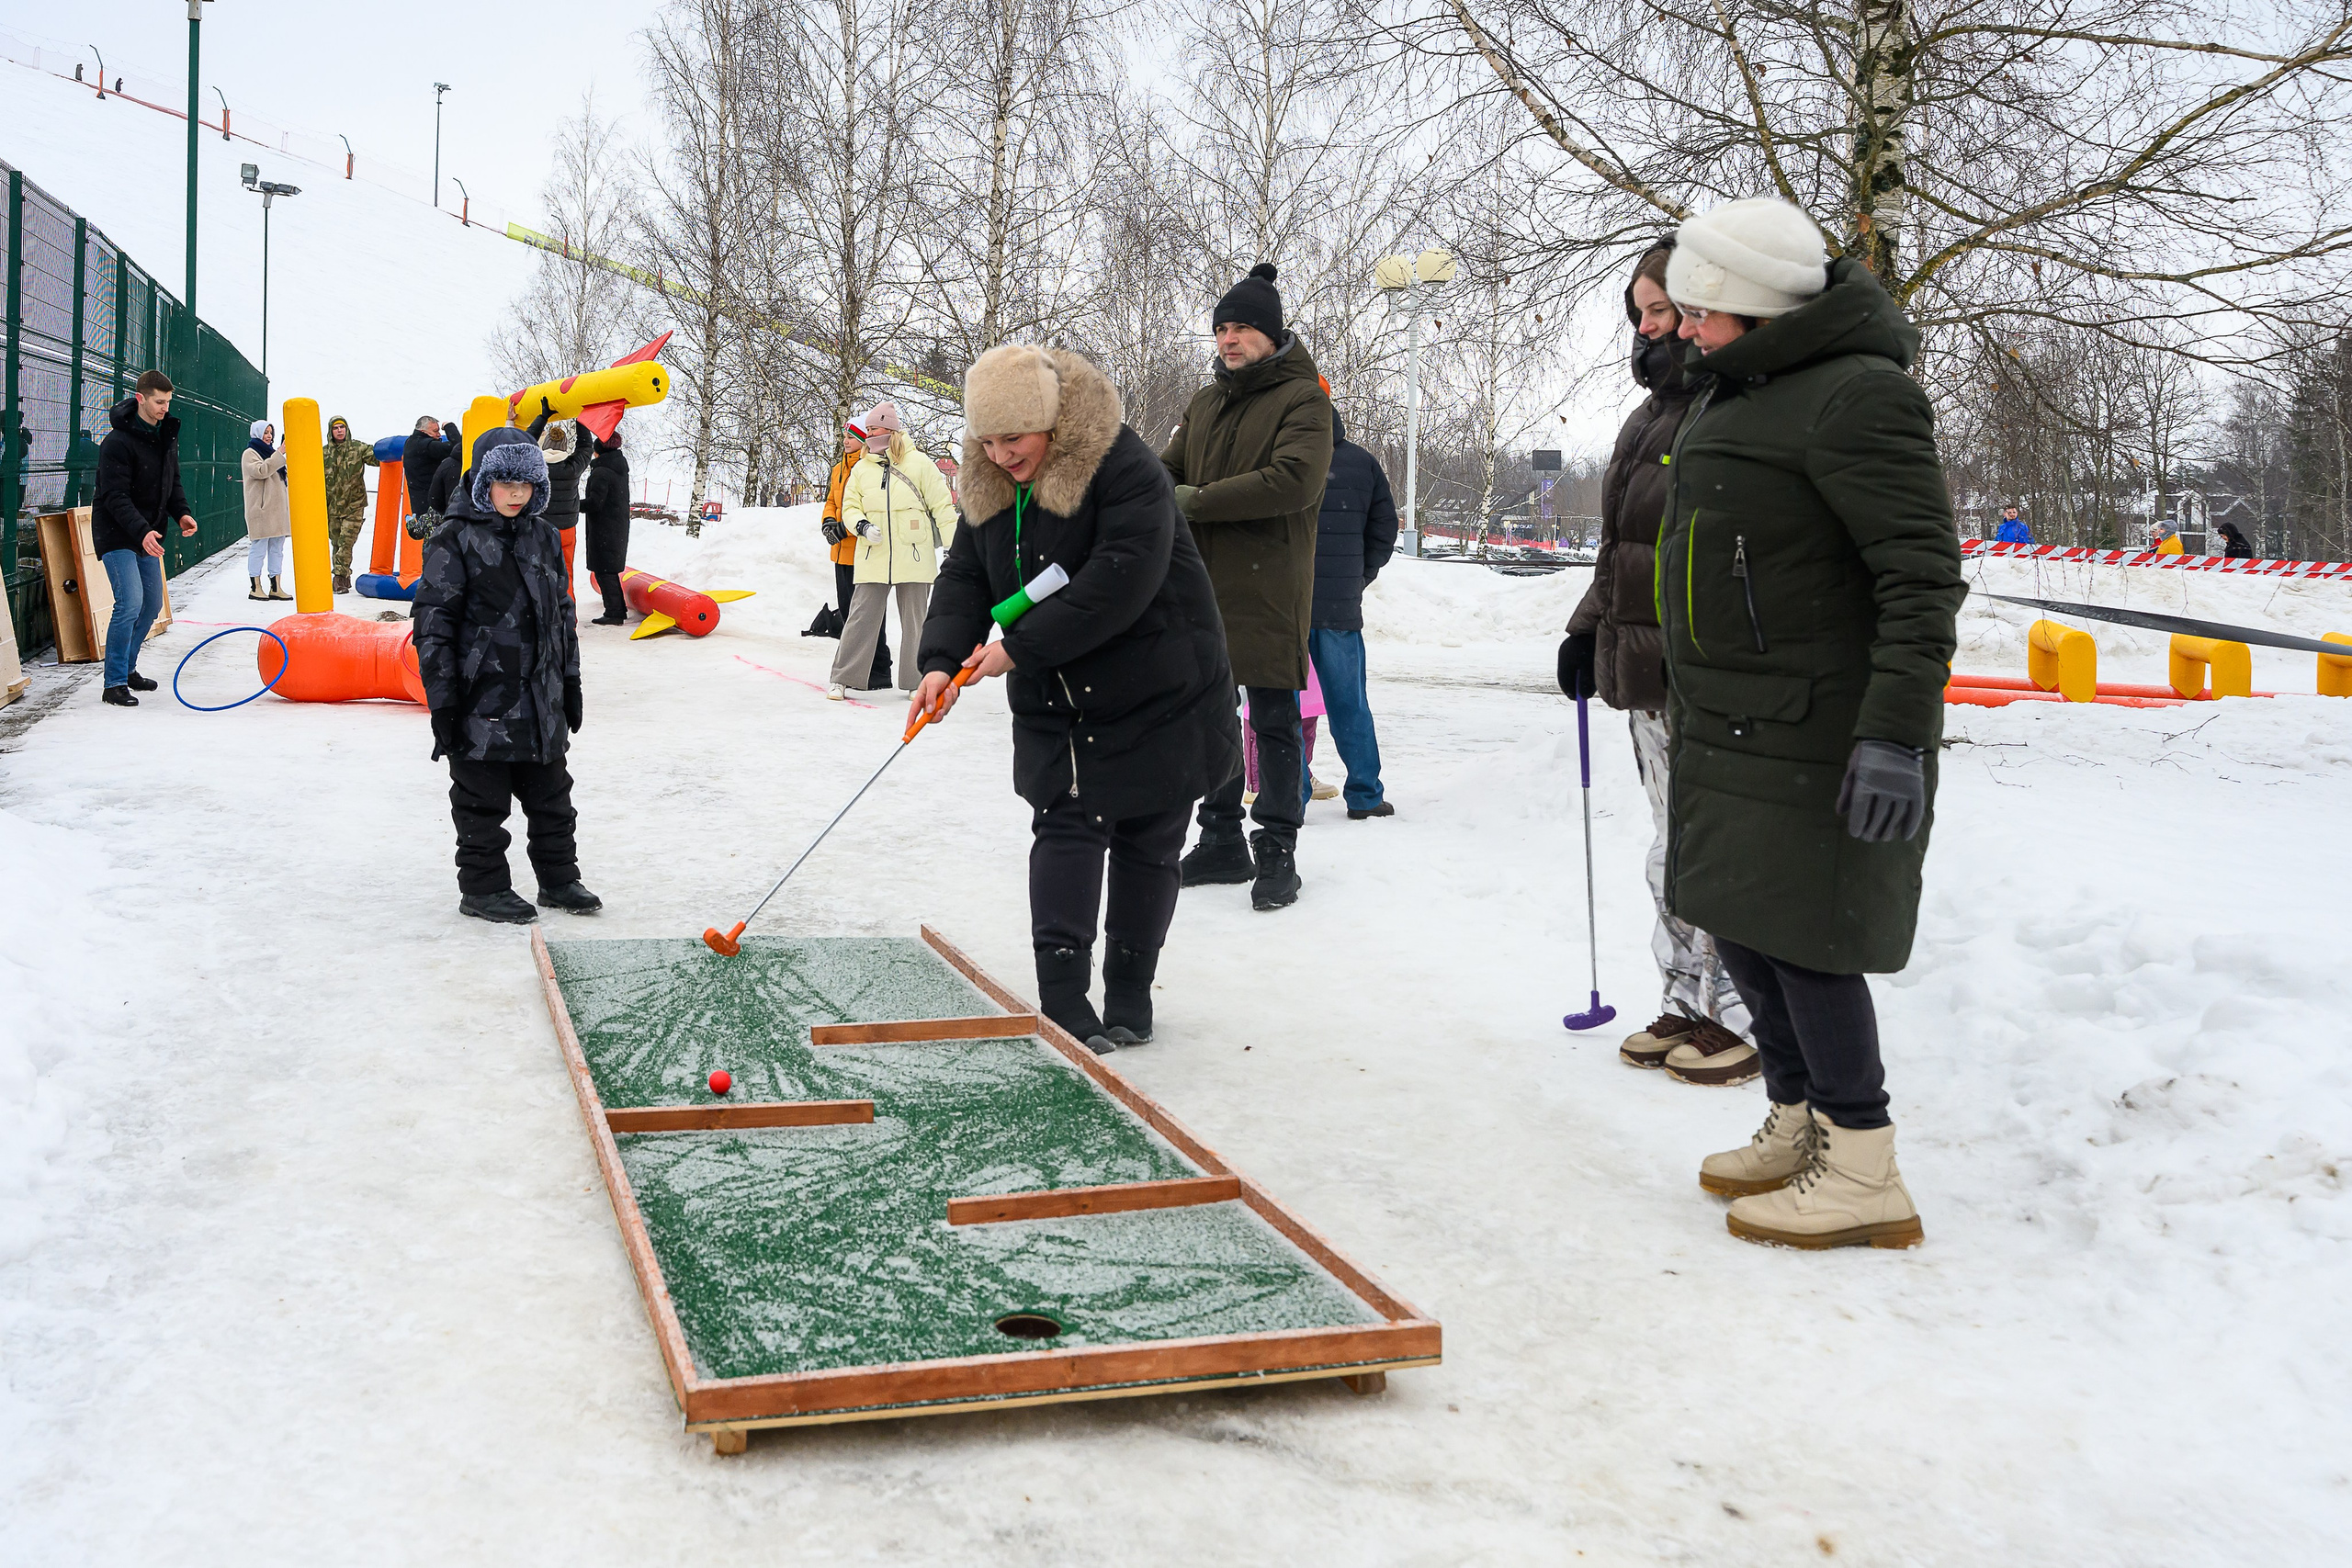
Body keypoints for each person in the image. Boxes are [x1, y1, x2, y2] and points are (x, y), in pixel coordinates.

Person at [1654, 197, 1963, 1250]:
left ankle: (1864, 1164)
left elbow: (1919, 578)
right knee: (1742, 923)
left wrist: (1894, 733)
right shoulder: (1744, 391)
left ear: (1747, 305)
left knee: (1809, 942)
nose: (1685, 328)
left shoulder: (1857, 399)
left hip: (1815, 724)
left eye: (1699, 309)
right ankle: (1799, 1122)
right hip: (1732, 717)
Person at [914, 344, 1240, 1054]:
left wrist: (1020, 648)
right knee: (1065, 822)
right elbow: (968, 573)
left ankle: (1129, 993)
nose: (1001, 456)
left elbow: (1123, 574)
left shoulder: (1124, 467)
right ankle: (1064, 1000)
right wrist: (940, 660)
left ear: (1053, 424)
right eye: (987, 441)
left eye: (1014, 438)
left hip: (1160, 680)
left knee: (1149, 833)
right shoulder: (990, 480)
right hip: (1062, 693)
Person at [1560, 240, 1758, 1087]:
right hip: (1648, 669)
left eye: (1661, 310)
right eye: (1638, 312)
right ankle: (1685, 997)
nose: (1646, 328)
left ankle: (1738, 1015)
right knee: (1673, 846)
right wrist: (1587, 626)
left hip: (1710, 671)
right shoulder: (1650, 417)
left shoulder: (1730, 404)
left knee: (1719, 849)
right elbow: (1628, 548)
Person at [1161, 262, 1334, 911]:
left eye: (1241, 329)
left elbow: (1294, 480)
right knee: (1210, 716)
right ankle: (1221, 838)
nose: (1228, 340)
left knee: (1273, 717)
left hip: (1268, 586)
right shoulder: (1205, 401)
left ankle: (1278, 851)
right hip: (1201, 587)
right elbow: (1167, 470)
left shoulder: (1304, 400)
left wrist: (1194, 502)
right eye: (1221, 329)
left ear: (1271, 334)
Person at [413, 427, 600, 924]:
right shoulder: (454, 539)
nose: (517, 494)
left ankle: (560, 880)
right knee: (481, 803)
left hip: (540, 698)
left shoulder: (542, 534)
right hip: (482, 699)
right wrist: (444, 702)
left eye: (526, 483)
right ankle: (484, 889)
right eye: (505, 482)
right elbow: (434, 626)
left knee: (553, 799)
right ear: (482, 481)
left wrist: (571, 681)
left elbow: (562, 613)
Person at [1307, 386, 1398, 820]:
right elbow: (1385, 528)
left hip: (1283, 609)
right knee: (1349, 703)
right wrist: (1358, 576)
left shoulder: (1276, 459)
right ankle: (1364, 795)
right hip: (1339, 611)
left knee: (1283, 709)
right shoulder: (1361, 463)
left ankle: (1289, 796)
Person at [829, 401, 957, 697]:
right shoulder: (861, 469)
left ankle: (917, 681)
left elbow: (942, 507)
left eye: (873, 428)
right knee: (861, 617)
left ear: (889, 429)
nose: (869, 432)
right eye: (868, 429)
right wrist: (860, 526)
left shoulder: (920, 463)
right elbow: (849, 507)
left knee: (916, 621)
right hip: (873, 553)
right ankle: (843, 677)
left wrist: (953, 546)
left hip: (914, 551)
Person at [90, 369, 198, 707]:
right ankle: (114, 683)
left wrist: (181, 512)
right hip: (118, 533)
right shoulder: (117, 442)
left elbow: (172, 481)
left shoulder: (165, 434)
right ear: (141, 398)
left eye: (168, 401)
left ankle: (128, 669)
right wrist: (142, 530)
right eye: (159, 401)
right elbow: (115, 496)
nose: (165, 408)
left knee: (152, 604)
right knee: (130, 602)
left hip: (147, 533)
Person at [817, 425, 890, 680]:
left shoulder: (869, 468)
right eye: (844, 436)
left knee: (867, 615)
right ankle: (864, 666)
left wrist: (843, 528)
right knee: (849, 613)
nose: (845, 441)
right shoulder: (839, 469)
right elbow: (832, 501)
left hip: (862, 552)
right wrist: (828, 522)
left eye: (851, 437)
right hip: (840, 554)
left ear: (863, 440)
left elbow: (869, 507)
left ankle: (880, 667)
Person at [527, 401, 594, 600]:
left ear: (545, 444)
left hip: (540, 529)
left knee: (539, 575)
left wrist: (543, 417)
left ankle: (542, 619)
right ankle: (568, 622)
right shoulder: (573, 467)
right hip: (566, 530)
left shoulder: (535, 465)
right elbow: (586, 447)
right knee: (566, 576)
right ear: (565, 447)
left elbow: (525, 441)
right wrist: (581, 419)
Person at [322, 415, 381, 593]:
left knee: (346, 542)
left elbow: (378, 459)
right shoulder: (323, 453)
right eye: (336, 428)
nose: (340, 431)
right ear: (330, 431)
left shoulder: (358, 448)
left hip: (354, 505)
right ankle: (344, 575)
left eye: (342, 427)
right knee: (337, 543)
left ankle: (338, 577)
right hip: (332, 507)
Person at [582, 429, 632, 625]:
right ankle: (617, 610)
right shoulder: (618, 468)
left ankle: (614, 613)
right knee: (608, 571)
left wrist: (573, 505)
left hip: (604, 528)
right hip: (616, 527)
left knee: (604, 572)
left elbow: (595, 503)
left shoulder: (601, 472)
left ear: (598, 450)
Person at [242, 419, 294, 603]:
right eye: (265, 432)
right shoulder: (250, 453)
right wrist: (280, 453)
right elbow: (261, 471)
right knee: (259, 548)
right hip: (261, 510)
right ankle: (255, 587)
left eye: (271, 433)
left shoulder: (271, 453)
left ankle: (276, 586)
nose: (269, 436)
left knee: (277, 549)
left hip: (277, 510)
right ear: (257, 433)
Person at [401, 415, 453, 539]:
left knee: (432, 547)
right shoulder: (425, 446)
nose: (439, 435)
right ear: (423, 431)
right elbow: (457, 447)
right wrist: (450, 428)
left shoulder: (411, 443)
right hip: (432, 507)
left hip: (422, 506)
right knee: (440, 546)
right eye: (435, 431)